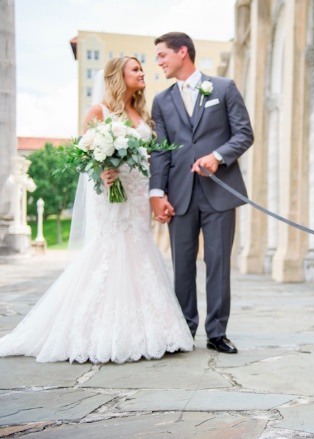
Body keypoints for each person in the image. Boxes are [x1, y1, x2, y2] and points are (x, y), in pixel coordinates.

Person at [0, 57, 194, 363]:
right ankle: (102, 331)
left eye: (142, 69)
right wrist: (103, 171)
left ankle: (154, 328)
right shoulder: (98, 111)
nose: (142, 73)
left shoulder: (143, 113)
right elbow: (82, 157)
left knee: (140, 249)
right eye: (136, 69)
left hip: (139, 193)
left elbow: (153, 158)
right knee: (112, 249)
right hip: (112, 193)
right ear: (118, 76)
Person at [150, 32, 254, 354]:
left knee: (218, 262)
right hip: (179, 194)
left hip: (219, 191)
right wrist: (157, 192)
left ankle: (217, 333)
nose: (159, 62)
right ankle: (184, 330)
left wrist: (218, 156)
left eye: (163, 55)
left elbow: (244, 134)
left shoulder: (223, 88)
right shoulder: (161, 101)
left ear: (183, 52)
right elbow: (160, 151)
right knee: (182, 265)